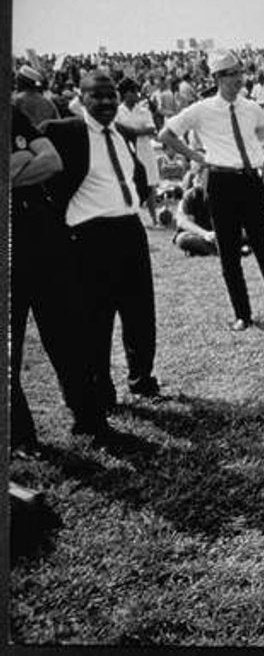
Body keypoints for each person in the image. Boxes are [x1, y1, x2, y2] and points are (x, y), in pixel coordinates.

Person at [158, 50, 264, 331]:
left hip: (250, 181)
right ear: (217, 78)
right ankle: (242, 314)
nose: (238, 79)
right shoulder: (201, 109)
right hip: (221, 181)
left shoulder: (252, 107)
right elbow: (166, 134)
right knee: (228, 252)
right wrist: (196, 156)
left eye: (240, 72)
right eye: (231, 74)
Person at [41, 72, 161, 412]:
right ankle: (100, 390)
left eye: (111, 96)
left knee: (140, 312)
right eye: (98, 96)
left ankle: (142, 379)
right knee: (96, 319)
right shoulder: (64, 132)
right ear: (82, 98)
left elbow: (136, 177)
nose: (106, 102)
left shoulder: (122, 133)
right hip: (91, 236)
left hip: (130, 229)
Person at [11, 106, 111, 454]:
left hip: (42, 235)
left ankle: (89, 418)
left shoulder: (10, 112)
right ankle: (21, 438)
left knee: (69, 332)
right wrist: (24, 158)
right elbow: (36, 159)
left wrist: (16, 165)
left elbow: (52, 160)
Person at [114, 77, 161, 226]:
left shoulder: (143, 110)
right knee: (129, 183)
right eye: (133, 92)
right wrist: (135, 131)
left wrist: (132, 132)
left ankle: (154, 218)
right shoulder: (117, 112)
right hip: (126, 151)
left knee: (150, 184)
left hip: (144, 149)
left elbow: (152, 129)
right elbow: (116, 130)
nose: (136, 95)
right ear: (125, 94)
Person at [173, 173, 219, 257]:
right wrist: (205, 234)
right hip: (200, 234)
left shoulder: (223, 195)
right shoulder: (191, 195)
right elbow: (186, 222)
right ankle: (218, 250)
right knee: (183, 239)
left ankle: (216, 249)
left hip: (219, 234)